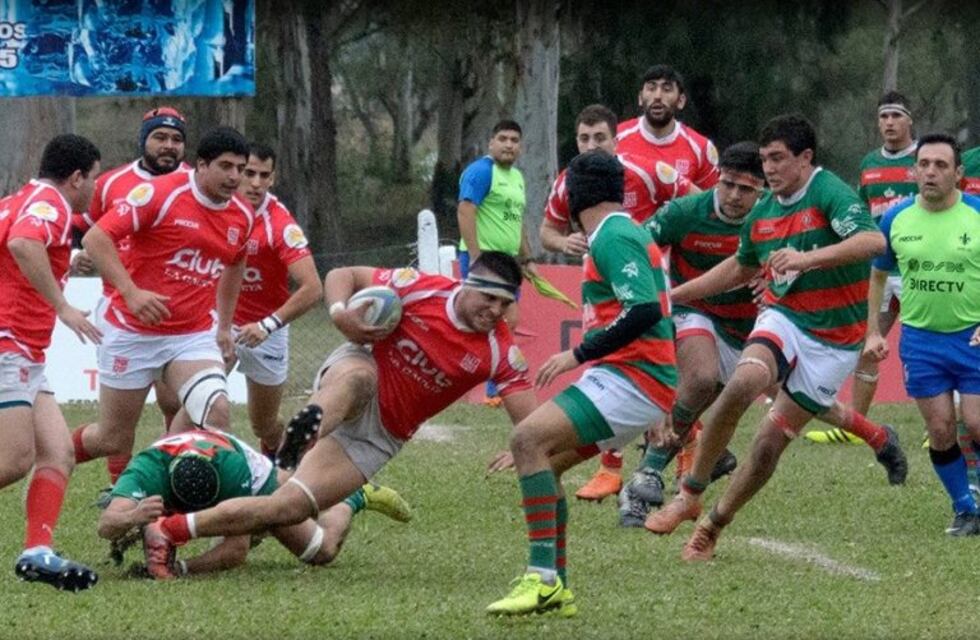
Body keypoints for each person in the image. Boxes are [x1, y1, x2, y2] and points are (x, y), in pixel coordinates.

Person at [134, 253, 538, 582]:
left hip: (380, 436)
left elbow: (531, 421)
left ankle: (177, 529)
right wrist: (341, 312)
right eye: (489, 298)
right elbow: (343, 273)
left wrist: (525, 447)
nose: (496, 311)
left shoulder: (499, 350)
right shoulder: (419, 288)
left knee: (301, 525)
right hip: (356, 373)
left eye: (505, 303)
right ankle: (306, 433)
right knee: (360, 379)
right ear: (468, 285)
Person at [646, 115, 905, 559]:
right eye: (765, 159)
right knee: (744, 382)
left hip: (835, 341)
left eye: (778, 158)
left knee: (768, 444)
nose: (769, 168)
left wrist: (807, 259)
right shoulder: (763, 212)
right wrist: (674, 297)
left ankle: (713, 524)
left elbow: (871, 243)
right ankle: (690, 495)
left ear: (805, 159)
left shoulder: (829, 193)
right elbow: (740, 268)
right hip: (784, 318)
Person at [486, 150, 676, 616]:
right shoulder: (613, 235)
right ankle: (558, 588)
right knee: (544, 462)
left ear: (574, 195)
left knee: (526, 437)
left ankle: (542, 579)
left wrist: (577, 353)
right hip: (634, 381)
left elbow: (645, 309)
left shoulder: (613, 235)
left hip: (632, 379)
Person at [74, 127, 253, 467]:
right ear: (201, 165)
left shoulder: (242, 214)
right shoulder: (159, 194)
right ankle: (54, 458)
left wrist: (225, 325)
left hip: (192, 335)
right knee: (112, 438)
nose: (235, 177)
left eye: (240, 169)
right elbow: (96, 238)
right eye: (226, 167)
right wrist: (131, 292)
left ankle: (182, 509)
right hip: (132, 331)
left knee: (215, 413)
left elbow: (236, 262)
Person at [617, 142, 765, 526]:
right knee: (701, 378)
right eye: (728, 184)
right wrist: (650, 297)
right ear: (717, 180)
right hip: (691, 309)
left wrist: (776, 281)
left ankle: (645, 482)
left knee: (707, 404)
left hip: (747, 328)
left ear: (761, 191)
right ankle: (647, 473)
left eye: (745, 189)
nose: (734, 196)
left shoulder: (773, 219)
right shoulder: (686, 211)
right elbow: (637, 248)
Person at [97, 429, 411, 578]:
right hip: (200, 455)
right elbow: (107, 526)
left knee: (320, 550)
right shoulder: (145, 470)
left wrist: (180, 569)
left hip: (252, 475)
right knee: (128, 527)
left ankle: (355, 495)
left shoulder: (234, 476)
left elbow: (235, 552)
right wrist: (134, 517)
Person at [1, 134, 103, 591]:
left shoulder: (22, 198)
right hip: (9, 340)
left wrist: (68, 258)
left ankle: (37, 549)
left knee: (57, 453)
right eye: (93, 179)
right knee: (13, 460)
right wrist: (63, 304)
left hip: (24, 349)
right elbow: (24, 245)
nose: (94, 190)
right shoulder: (52, 202)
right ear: (77, 176)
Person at [865, 134, 980, 535]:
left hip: (972, 338)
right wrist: (872, 333)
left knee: (977, 422)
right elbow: (878, 277)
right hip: (921, 342)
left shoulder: (977, 214)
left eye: (941, 165)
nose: (930, 172)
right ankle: (966, 509)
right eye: (924, 164)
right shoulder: (895, 219)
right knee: (941, 430)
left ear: (959, 174)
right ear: (914, 171)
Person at [72, 106, 190, 483]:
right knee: (120, 423)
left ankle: (168, 479)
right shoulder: (111, 183)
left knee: (176, 401)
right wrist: (77, 257)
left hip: (181, 313)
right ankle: (118, 486)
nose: (168, 146)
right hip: (122, 310)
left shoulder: (197, 183)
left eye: (176, 139)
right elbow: (79, 229)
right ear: (143, 141)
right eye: (160, 137)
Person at [807, 91, 918, 439]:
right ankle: (855, 427)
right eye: (884, 116)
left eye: (896, 116)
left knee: (927, 346)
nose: (889, 123)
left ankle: (939, 427)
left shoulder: (926, 160)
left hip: (918, 267)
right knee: (867, 345)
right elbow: (859, 213)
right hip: (880, 270)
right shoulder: (870, 164)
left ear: (910, 121)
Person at [229, 143, 321, 457]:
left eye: (263, 175)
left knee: (264, 425)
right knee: (198, 400)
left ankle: (286, 460)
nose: (255, 182)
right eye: (249, 173)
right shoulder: (214, 206)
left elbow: (312, 288)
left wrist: (267, 325)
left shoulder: (280, 225)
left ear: (273, 179)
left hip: (266, 331)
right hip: (219, 323)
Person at [539, 103, 695, 258]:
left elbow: (701, 201)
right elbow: (547, 232)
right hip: (598, 271)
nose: (591, 146)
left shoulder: (647, 171)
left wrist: (670, 228)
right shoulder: (565, 182)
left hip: (646, 267)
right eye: (584, 139)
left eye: (600, 138)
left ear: (615, 143)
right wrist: (564, 242)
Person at [457, 119, 535, 404]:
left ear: (520, 147)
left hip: (508, 263)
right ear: (491, 143)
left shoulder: (517, 177)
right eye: (503, 139)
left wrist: (527, 258)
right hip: (484, 261)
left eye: (514, 140)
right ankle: (481, 382)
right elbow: (465, 211)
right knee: (486, 320)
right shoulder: (480, 171)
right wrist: (476, 257)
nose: (509, 145)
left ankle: (493, 385)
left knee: (507, 321)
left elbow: (518, 221)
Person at [616, 64, 719, 190]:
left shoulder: (701, 148)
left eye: (667, 89)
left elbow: (709, 202)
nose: (658, 96)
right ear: (640, 98)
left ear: (681, 101)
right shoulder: (616, 139)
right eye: (651, 88)